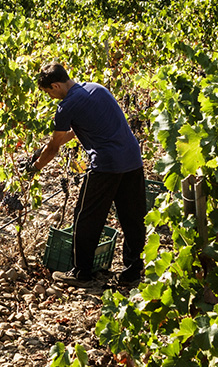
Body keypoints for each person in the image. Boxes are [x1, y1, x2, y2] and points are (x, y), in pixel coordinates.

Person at [23, 61, 145, 288]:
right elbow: (82, 128)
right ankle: (133, 272)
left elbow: (54, 146)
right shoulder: (97, 88)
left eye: (48, 91)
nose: (49, 96)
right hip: (132, 159)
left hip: (106, 165)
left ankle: (82, 273)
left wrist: (35, 167)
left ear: (56, 85)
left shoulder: (66, 106)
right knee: (132, 218)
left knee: (87, 218)